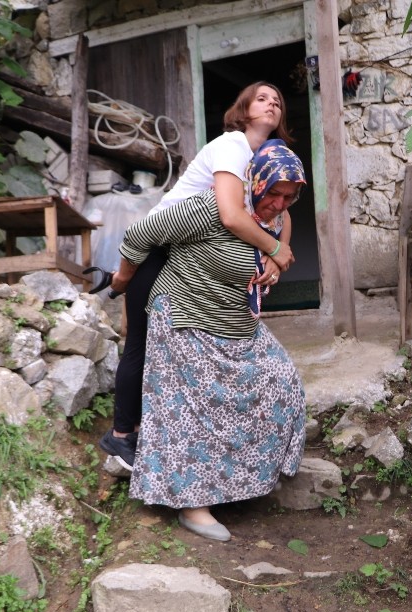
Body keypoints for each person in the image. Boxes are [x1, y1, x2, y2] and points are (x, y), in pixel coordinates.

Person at [98, 81, 299, 472]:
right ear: (243, 108)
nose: (271, 104)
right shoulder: (232, 145)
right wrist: (274, 249)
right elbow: (230, 214)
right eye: (261, 98)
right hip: (160, 243)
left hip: (186, 244)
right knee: (140, 341)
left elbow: (281, 210)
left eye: (277, 102)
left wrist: (275, 257)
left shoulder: (266, 157)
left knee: (154, 345)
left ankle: (145, 430)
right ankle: (121, 435)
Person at [113, 141, 308, 541]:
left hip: (236, 322)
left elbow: (275, 251)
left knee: (281, 381)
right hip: (186, 315)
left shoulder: (275, 220)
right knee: (194, 411)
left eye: (289, 196)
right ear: (255, 181)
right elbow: (139, 234)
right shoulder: (210, 209)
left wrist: (274, 260)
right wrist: (122, 280)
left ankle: (243, 480)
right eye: (274, 192)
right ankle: (192, 505)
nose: (279, 203)